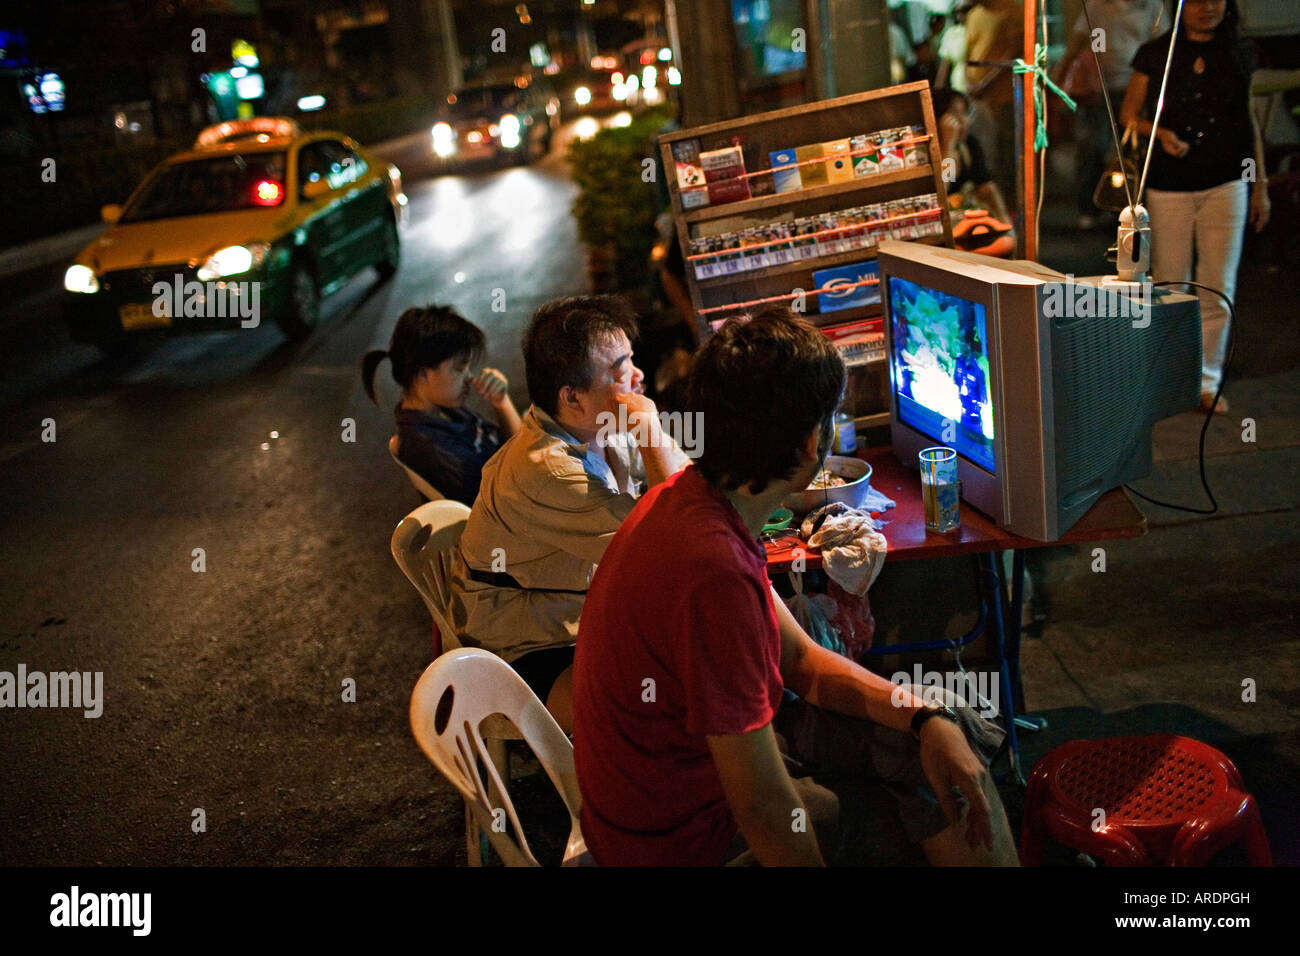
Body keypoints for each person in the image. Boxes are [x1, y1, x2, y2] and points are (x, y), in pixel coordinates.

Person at [572, 306, 1018, 866]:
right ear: (813, 443)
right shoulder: (712, 570)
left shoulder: (697, 500)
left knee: (938, 721)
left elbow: (803, 662)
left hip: (676, 798)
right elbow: (763, 807)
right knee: (918, 799)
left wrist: (925, 719)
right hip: (682, 844)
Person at [448, 295, 689, 732]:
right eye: (620, 372)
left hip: (576, 605)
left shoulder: (593, 425)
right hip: (529, 651)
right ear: (572, 397)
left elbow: (684, 487)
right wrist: (651, 428)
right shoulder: (547, 469)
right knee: (684, 679)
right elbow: (670, 540)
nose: (638, 378)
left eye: (632, 362)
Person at [1120, 0, 1269, 413]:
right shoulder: (1157, 53)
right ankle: (1170, 378)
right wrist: (1161, 132)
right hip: (1169, 186)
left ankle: (1207, 380)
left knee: (1219, 287)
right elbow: (1129, 115)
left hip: (1227, 183)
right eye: (1198, 0)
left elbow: (1248, 121)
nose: (1208, 8)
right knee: (1171, 285)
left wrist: (1261, 185)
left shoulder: (1239, 51)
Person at [362, 305, 522, 505]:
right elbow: (510, 491)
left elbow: (516, 446)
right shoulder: (430, 449)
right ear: (423, 374)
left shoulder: (441, 408)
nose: (469, 377)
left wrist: (501, 401)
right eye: (459, 368)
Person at [1055, 0, 1165, 229]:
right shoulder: (1097, 6)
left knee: (1132, 148)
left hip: (1136, 84)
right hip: (1100, 86)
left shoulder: (1151, 6)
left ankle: (1127, 205)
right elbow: (1078, 42)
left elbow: (1160, 43)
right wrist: (1058, 79)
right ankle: (1089, 206)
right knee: (1094, 145)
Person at [964, 0, 1025, 203]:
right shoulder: (974, 15)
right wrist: (970, 83)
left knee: (1006, 153)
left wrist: (985, 83)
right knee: (983, 151)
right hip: (978, 98)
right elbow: (968, 53)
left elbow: (1014, 54)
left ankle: (1009, 202)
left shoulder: (1013, 11)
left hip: (1004, 96)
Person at [934, 87, 1014, 227]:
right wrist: (949, 144)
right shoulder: (933, 149)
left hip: (965, 219)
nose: (964, 121)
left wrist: (1005, 222)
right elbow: (944, 187)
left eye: (965, 114)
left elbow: (986, 186)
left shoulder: (969, 144)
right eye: (954, 115)